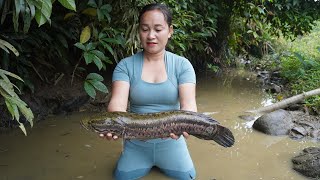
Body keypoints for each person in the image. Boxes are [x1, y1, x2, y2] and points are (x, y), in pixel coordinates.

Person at [102, 3, 197, 180]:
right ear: (139, 31)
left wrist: (187, 125)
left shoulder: (182, 65)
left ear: (170, 30)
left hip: (172, 141)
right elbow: (118, 103)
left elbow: (189, 105)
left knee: (188, 177)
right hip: (136, 144)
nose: (151, 35)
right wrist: (112, 124)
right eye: (145, 29)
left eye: (158, 29)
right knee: (121, 177)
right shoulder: (125, 66)